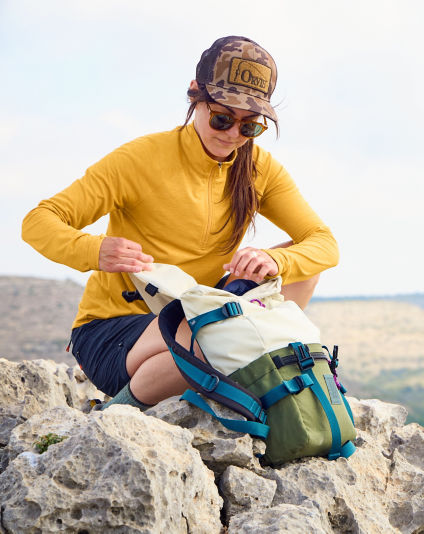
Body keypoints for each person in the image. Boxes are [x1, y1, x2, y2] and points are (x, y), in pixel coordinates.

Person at [21, 36, 338, 411]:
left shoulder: (260, 169)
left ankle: (227, 375)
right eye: (222, 119)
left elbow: (324, 243)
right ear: (194, 94)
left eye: (249, 127)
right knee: (219, 338)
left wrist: (275, 260)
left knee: (299, 271)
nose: (233, 135)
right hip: (114, 330)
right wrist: (93, 250)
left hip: (200, 313)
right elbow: (38, 221)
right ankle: (116, 413)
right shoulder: (140, 159)